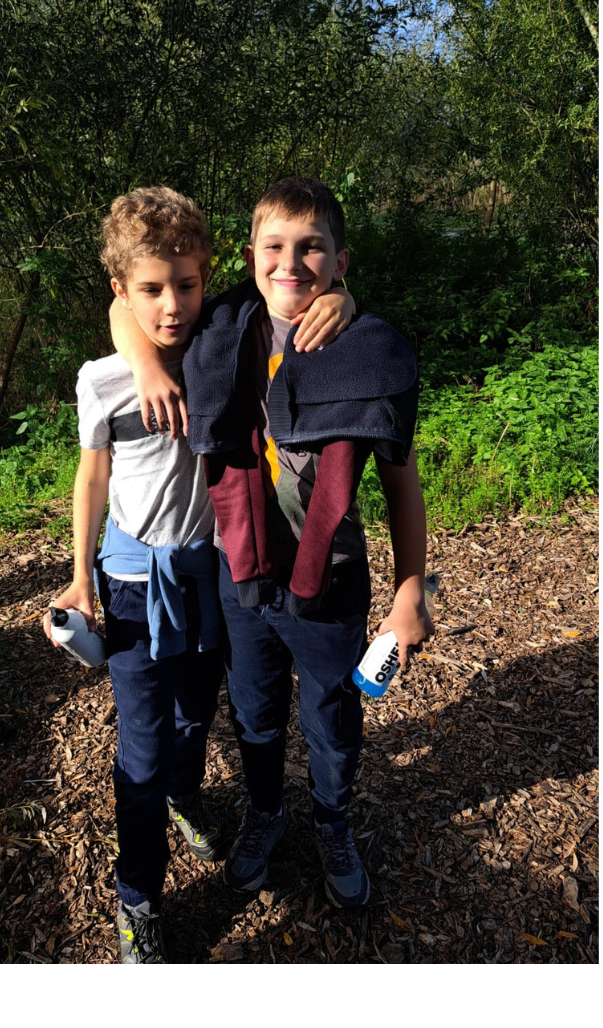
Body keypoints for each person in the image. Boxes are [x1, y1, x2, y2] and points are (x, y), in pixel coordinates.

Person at [183, 179, 430, 909]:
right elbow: (124, 302)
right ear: (251, 255)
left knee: (331, 715)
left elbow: (401, 481)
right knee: (254, 712)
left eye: (311, 247)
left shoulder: (369, 351)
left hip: (332, 579)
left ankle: (332, 820)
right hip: (242, 575)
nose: (291, 263)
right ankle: (266, 813)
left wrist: (410, 589)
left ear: (341, 260)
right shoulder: (218, 331)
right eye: (275, 247)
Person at [49, 189, 228, 963]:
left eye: (186, 285)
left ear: (206, 279)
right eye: (152, 289)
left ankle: (188, 799)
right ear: (122, 291)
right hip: (127, 583)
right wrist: (78, 577)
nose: (172, 305)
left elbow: (290, 305)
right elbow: (93, 478)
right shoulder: (103, 380)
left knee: (196, 715)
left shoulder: (223, 356)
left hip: (211, 579)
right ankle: (138, 897)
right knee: (143, 747)